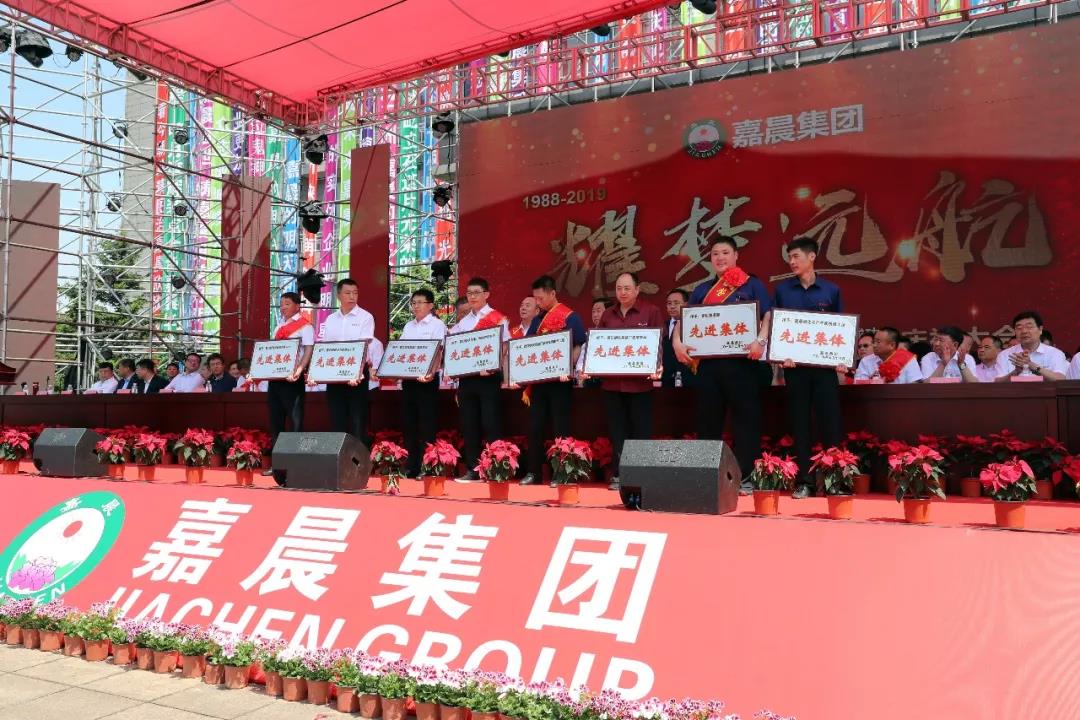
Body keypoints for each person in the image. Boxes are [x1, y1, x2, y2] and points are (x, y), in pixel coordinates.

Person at [672, 236, 770, 487]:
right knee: (707, 421)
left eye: (725, 252)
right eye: (715, 254)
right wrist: (677, 343)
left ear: (736, 255)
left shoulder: (752, 284)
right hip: (709, 368)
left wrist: (760, 340)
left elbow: (768, 315)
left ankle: (746, 476)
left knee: (746, 422)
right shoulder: (702, 290)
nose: (720, 257)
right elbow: (685, 320)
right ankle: (708, 478)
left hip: (743, 365)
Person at [770, 237, 844, 499]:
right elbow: (777, 326)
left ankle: (835, 481)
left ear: (812, 257)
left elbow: (841, 328)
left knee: (830, 423)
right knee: (800, 425)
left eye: (796, 256)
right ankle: (805, 482)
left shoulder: (831, 290)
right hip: (795, 369)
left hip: (825, 370)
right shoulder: (783, 291)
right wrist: (781, 355)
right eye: (789, 257)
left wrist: (841, 358)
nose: (792, 262)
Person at [584, 272, 664, 491]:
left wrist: (658, 365)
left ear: (637, 289)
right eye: (619, 288)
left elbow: (659, 343)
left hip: (640, 386)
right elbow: (598, 346)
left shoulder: (651, 311)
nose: (623, 292)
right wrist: (590, 367)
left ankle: (642, 476)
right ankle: (620, 475)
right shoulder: (607, 314)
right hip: (612, 385)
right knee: (617, 432)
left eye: (627, 288)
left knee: (641, 431)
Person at [519, 275, 587, 486]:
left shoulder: (570, 317)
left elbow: (577, 346)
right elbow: (528, 347)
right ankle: (534, 472)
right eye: (536, 299)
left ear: (553, 293)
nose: (538, 303)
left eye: (541, 298)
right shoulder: (537, 320)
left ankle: (562, 473)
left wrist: (569, 366)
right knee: (535, 427)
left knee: (561, 427)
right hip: (539, 384)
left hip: (560, 382)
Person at [450, 277, 511, 483]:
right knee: (469, 425)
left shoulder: (498, 318)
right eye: (469, 293)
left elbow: (505, 346)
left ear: (486, 294)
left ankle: (495, 469)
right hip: (467, 379)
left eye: (476, 292)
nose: (472, 296)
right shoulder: (464, 322)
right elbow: (454, 346)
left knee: (491, 423)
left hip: (488, 378)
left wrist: (493, 365)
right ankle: (473, 470)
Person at [394, 288, 447, 478]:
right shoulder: (408, 326)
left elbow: (439, 351)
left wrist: (432, 372)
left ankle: (427, 466)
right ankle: (412, 466)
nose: (416, 306)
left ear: (430, 305)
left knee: (427, 424)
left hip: (427, 381)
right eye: (413, 303)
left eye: (420, 302)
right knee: (409, 423)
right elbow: (401, 351)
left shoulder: (437, 325)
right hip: (409, 381)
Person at [265, 293, 315, 478]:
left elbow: (308, 349)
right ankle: (278, 466)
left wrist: (300, 370)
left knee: (295, 422)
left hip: (293, 379)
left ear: (297, 306)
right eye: (281, 304)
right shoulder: (279, 326)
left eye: (287, 304)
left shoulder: (305, 326)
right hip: (275, 379)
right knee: (276, 422)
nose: (283, 307)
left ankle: (296, 464)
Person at [321, 278, 377, 442]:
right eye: (348, 293)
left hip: (357, 375)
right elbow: (326, 349)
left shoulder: (365, 317)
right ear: (338, 295)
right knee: (337, 418)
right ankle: (339, 456)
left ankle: (358, 457)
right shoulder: (330, 319)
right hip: (334, 375)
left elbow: (364, 347)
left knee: (358, 420)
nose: (352, 296)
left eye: (355, 293)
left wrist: (357, 373)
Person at [994, 311, 1068, 381]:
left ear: (1040, 329)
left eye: (1029, 327)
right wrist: (1016, 372)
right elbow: (997, 383)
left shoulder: (1055, 353)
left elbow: (1061, 379)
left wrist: (1031, 365)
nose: (1024, 331)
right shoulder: (1005, 355)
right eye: (1019, 328)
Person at [854, 327, 922, 383]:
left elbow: (915, 386)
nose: (874, 345)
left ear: (892, 345)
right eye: (874, 342)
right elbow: (858, 385)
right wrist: (871, 381)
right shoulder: (866, 361)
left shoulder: (908, 359)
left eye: (878, 342)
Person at [661, 289, 693, 388]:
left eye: (676, 303)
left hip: (689, 379)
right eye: (669, 303)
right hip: (666, 380)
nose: (672, 306)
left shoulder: (693, 327)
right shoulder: (662, 326)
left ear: (686, 304)